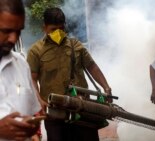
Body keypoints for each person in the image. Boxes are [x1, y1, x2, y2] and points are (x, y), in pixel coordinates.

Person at [26, 7, 112, 141]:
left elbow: (92, 66)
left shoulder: (75, 45)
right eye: (53, 30)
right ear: (44, 28)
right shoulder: (35, 51)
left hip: (82, 108)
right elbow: (31, 79)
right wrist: (39, 100)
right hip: (55, 113)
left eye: (61, 29)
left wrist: (106, 87)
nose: (58, 33)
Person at [0, 0, 42, 140]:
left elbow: (32, 114)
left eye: (18, 31)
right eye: (6, 31)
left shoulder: (22, 64)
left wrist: (32, 128)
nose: (14, 39)